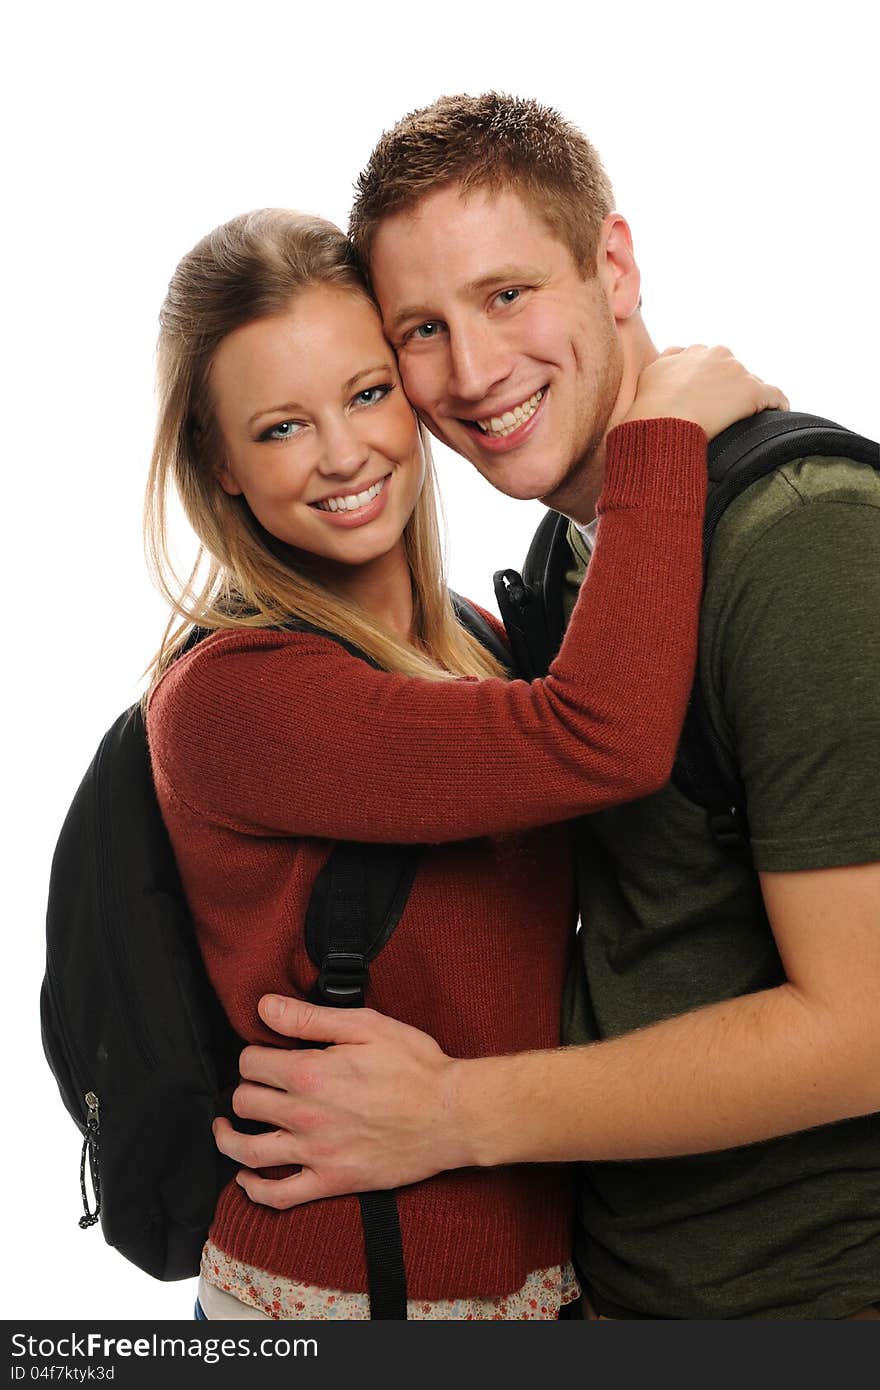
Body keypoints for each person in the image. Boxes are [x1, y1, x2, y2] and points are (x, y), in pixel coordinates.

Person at [216, 95, 880, 1321]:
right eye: (422, 327)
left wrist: (454, 1115)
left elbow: (868, 1025)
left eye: (508, 294)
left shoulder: (801, 542)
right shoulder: (585, 559)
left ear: (612, 266)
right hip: (609, 1290)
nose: (472, 372)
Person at [144, 206, 778, 1320]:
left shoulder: (475, 639)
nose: (345, 454)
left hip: (536, 1285)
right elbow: (605, 736)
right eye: (281, 427)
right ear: (219, 462)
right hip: (341, 1296)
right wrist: (662, 435)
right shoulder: (237, 697)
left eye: (368, 392)